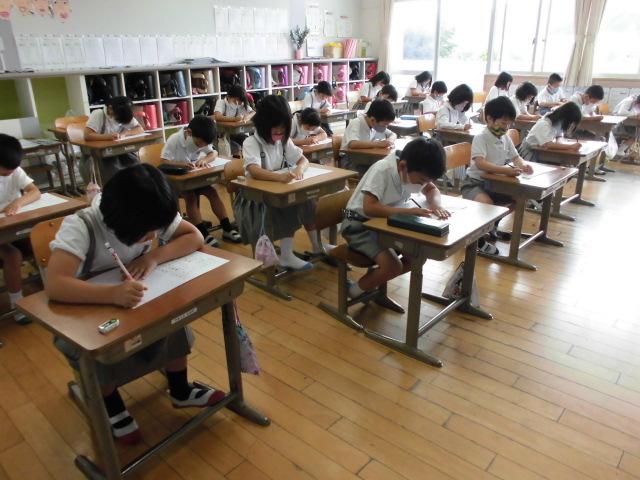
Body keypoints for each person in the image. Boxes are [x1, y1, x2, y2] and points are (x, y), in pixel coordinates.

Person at [47, 164, 225, 445]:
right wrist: (112, 295)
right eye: (146, 234)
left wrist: (152, 258)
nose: (153, 237)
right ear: (122, 222)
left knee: (173, 317)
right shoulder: (82, 226)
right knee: (101, 351)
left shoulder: (151, 210)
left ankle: (180, 389)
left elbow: (194, 237)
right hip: (88, 306)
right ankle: (112, 406)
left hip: (131, 295)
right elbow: (55, 284)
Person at [341, 137, 449, 299]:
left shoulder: (413, 169)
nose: (422, 185)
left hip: (386, 224)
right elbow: (369, 207)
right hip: (358, 224)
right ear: (402, 166)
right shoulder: (383, 170)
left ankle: (373, 282)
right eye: (421, 181)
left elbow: (432, 190)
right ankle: (352, 291)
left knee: (416, 259)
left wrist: (436, 205)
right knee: (392, 266)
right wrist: (407, 212)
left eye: (426, 181)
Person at [234, 95, 326, 270]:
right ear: (264, 125)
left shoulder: (283, 140)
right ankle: (285, 255)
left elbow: (303, 160)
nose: (280, 133)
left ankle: (312, 247)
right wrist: (279, 177)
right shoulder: (251, 142)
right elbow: (254, 170)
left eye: (283, 129)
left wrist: (299, 170)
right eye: (276, 129)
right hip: (255, 200)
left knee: (307, 201)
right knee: (288, 205)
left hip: (278, 192)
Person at [461, 97, 532, 254]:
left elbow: (516, 157)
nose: (506, 127)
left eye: (509, 124)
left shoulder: (505, 137)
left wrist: (523, 166)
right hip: (474, 184)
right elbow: (480, 163)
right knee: (487, 204)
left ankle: (492, 227)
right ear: (489, 119)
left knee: (518, 200)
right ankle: (478, 241)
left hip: (495, 184)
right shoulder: (481, 137)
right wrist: (506, 171)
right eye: (503, 123)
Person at [161, 115, 241, 245]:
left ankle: (227, 228)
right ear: (189, 133)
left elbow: (213, 153)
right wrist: (182, 165)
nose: (200, 147)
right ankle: (203, 234)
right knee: (191, 197)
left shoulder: (201, 137)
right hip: (178, 183)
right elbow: (164, 161)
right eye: (198, 144)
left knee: (212, 193)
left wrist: (204, 159)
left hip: (194, 178)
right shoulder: (174, 140)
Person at [0, 134, 41, 323]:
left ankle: (50, 285)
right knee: (13, 255)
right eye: (4, 173)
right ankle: (16, 304)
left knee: (42, 240)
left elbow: (34, 191)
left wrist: (18, 202)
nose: (9, 174)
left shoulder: (14, 170)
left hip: (14, 225)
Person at [83, 96, 145, 184]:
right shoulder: (98, 114)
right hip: (102, 153)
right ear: (110, 109)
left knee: (135, 164)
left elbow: (140, 129)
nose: (119, 122)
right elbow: (87, 135)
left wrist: (125, 133)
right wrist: (108, 137)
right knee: (114, 169)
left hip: (119, 150)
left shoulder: (124, 113)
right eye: (118, 119)